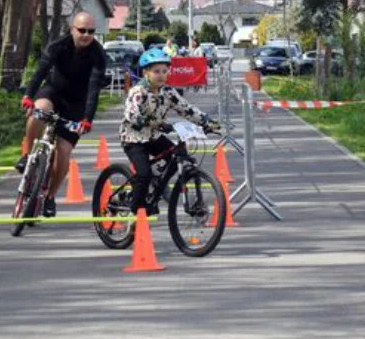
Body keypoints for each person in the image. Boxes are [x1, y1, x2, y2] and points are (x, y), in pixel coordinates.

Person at [18, 11, 108, 217]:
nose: (86, 35)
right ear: (72, 29)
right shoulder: (58, 46)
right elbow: (40, 71)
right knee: (38, 111)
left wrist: (87, 119)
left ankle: (50, 197)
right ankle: (27, 155)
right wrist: (28, 96)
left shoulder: (98, 55)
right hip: (54, 92)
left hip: (77, 103)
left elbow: (94, 89)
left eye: (91, 31)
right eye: (82, 30)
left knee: (64, 152)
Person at [120, 48, 220, 216]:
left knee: (176, 155)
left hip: (154, 136)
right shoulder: (138, 92)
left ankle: (157, 185)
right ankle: (136, 208)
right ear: (146, 73)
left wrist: (206, 121)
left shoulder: (168, 92)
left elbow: (187, 109)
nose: (161, 75)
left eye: (165, 71)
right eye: (156, 71)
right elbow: (131, 114)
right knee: (143, 174)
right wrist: (151, 122)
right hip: (134, 138)